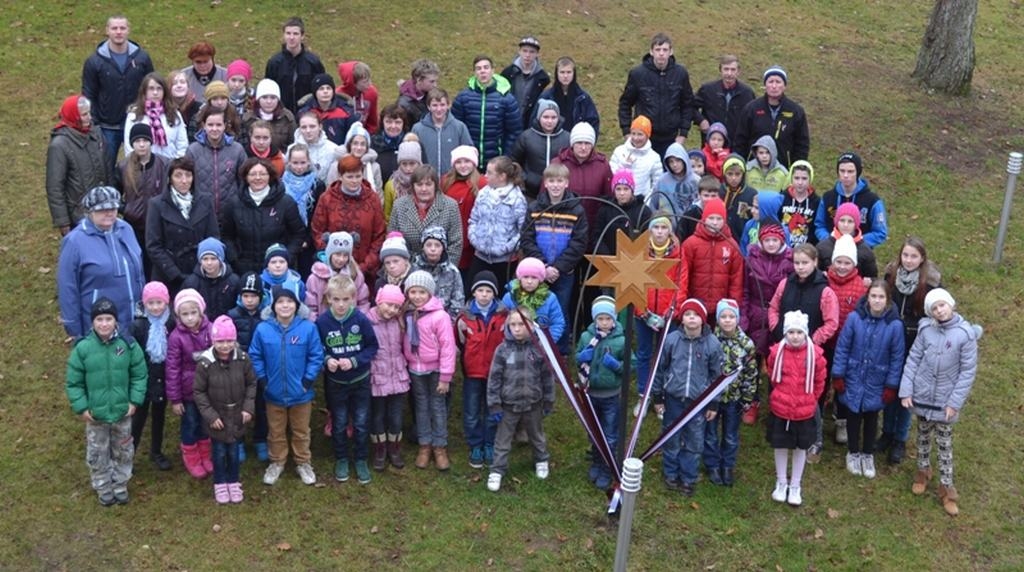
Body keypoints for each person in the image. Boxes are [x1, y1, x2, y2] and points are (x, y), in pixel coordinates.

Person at [900, 289, 981, 516]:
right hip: (923, 395)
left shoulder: (965, 335)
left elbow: (967, 372)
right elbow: (914, 358)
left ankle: (947, 489)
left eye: (942, 305)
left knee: (944, 445)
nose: (939, 310)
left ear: (951, 305)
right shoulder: (926, 330)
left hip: (946, 400)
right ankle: (922, 471)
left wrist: (954, 403)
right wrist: (907, 390)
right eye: (934, 308)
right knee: (923, 437)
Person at [65, 298, 147, 506]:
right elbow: (74, 382)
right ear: (93, 322)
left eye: (108, 319)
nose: (104, 324)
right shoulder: (83, 349)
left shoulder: (127, 345)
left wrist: (134, 400)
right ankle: (102, 485)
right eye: (99, 319)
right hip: (96, 415)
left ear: (116, 321)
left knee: (123, 450)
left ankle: (120, 484)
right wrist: (82, 407)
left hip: (122, 412)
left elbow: (139, 374)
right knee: (97, 452)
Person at [768, 244, 840, 462]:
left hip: (810, 354)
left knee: (810, 396)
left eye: (805, 263)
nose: (800, 267)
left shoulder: (825, 291)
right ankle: (782, 435)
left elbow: (831, 322)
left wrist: (812, 341)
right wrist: (776, 329)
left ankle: (814, 440)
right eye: (797, 263)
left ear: (815, 262)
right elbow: (773, 307)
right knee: (783, 388)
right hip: (785, 348)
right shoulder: (784, 284)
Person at [250, 286, 324, 486]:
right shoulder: (263, 329)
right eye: (280, 302)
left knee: (301, 430)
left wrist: (307, 381)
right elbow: (255, 355)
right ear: (273, 306)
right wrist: (264, 380)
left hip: (301, 392)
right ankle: (277, 461)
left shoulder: (307, 328)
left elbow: (316, 356)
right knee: (276, 431)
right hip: (273, 392)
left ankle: (303, 462)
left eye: (289, 301)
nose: (285, 305)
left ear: (297, 305)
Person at [832, 280, 905, 479]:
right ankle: (853, 452)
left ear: (888, 300)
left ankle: (867, 454)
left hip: (877, 379)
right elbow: (843, 347)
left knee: (872, 417)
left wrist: (891, 384)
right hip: (854, 375)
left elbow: (897, 357)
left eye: (881, 297)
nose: (877, 300)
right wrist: (838, 374)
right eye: (873, 296)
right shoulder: (855, 318)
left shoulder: (895, 325)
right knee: (853, 416)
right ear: (867, 297)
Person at [651, 298, 724, 497]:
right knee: (671, 437)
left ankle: (688, 477)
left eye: (695, 315)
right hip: (673, 397)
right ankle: (670, 473)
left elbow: (717, 376)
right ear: (682, 319)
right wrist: (657, 397)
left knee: (694, 440)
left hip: (698, 401)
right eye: (687, 315)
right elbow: (660, 369)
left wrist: (714, 403)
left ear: (703, 319)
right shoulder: (671, 340)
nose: (691, 318)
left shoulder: (712, 344)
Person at [881, 236, 942, 464]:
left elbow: (935, 313)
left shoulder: (931, 284)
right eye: (905, 255)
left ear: (922, 258)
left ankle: (900, 438)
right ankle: (886, 432)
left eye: (913, 256)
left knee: (907, 393)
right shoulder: (890, 276)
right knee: (890, 386)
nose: (908, 260)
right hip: (892, 339)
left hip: (916, 343)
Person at [317, 275, 379, 485]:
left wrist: (354, 360)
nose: (341, 304)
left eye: (346, 299)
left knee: (361, 422)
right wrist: (327, 359)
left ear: (353, 299)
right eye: (336, 300)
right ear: (328, 299)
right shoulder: (322, 322)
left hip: (360, 380)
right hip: (336, 383)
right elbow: (318, 348)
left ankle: (361, 459)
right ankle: (341, 458)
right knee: (340, 421)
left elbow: (372, 347)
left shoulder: (361, 320)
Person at [58, 187, 144, 338]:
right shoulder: (74, 241)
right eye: (102, 209)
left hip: (135, 321)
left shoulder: (126, 229)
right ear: (90, 212)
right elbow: (67, 288)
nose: (109, 213)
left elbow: (139, 271)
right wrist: (74, 328)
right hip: (100, 327)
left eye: (113, 208)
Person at [486, 307, 555, 492]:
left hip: (534, 403)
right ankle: (497, 470)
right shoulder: (502, 350)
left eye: (521, 324)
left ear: (531, 325)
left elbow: (547, 376)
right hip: (508, 406)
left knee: (536, 435)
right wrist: (494, 405)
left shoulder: (540, 349)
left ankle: (541, 460)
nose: (517, 329)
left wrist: (548, 400)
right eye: (513, 325)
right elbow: (494, 379)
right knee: (503, 439)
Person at [520, 163, 589, 341]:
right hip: (538, 271)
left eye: (560, 181)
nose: (556, 185)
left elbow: (579, 243)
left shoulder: (576, 210)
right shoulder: (535, 208)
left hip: (564, 272)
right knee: (537, 308)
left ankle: (561, 351)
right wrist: (543, 266)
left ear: (567, 183)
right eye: (552, 181)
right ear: (545, 183)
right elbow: (527, 238)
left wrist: (558, 267)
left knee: (561, 309)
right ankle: (535, 344)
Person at [193, 315, 257, 504]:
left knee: (234, 451)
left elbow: (252, 383)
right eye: (220, 341)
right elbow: (199, 392)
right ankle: (220, 482)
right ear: (214, 341)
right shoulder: (205, 363)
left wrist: (248, 408)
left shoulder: (243, 359)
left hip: (237, 414)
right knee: (219, 452)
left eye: (229, 341)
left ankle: (234, 481)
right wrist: (211, 416)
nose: (225, 345)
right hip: (217, 417)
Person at [766, 310, 827, 507]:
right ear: (785, 333)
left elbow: (820, 381)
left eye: (799, 332)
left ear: (806, 333)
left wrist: (809, 400)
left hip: (804, 411)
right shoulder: (776, 352)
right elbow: (772, 375)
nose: (795, 336)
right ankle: (781, 481)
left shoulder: (815, 356)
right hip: (781, 409)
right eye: (791, 332)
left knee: (801, 448)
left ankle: (795, 485)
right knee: (781, 445)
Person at [82, 15, 154, 170]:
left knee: (141, 167)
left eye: (122, 28)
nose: (118, 32)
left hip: (137, 122)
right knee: (104, 168)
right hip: (108, 127)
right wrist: (94, 123)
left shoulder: (142, 58)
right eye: (114, 28)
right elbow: (89, 94)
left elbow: (152, 87)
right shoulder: (94, 61)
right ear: (107, 31)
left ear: (128, 30)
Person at [403, 271, 458, 471]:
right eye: (413, 292)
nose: (417, 296)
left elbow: (448, 347)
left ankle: (439, 446)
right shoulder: (407, 313)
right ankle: (424, 445)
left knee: (437, 406)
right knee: (421, 407)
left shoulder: (439, 316)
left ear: (430, 293)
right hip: (415, 369)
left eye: (422, 292)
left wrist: (445, 377)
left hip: (435, 369)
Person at [576, 295, 633, 490]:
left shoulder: (621, 340)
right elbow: (578, 357)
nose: (604, 322)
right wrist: (581, 357)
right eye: (600, 318)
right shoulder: (586, 337)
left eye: (608, 318)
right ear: (594, 319)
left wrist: (617, 365)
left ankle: (607, 467)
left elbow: (631, 365)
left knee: (609, 434)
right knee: (594, 431)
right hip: (591, 394)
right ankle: (597, 461)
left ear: (614, 319)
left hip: (610, 396)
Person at [631, 214, 683, 417]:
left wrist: (672, 310)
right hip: (644, 314)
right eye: (656, 227)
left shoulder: (678, 253)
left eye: (664, 227)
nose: (660, 231)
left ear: (670, 231)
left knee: (665, 356)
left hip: (667, 314)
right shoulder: (640, 251)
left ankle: (661, 395)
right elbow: (632, 282)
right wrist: (642, 311)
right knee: (644, 354)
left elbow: (682, 282)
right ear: (650, 230)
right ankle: (644, 395)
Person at [456, 271, 508, 469]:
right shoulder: (464, 318)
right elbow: (460, 342)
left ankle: (489, 443)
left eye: (488, 291)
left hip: (495, 372)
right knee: (471, 411)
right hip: (472, 372)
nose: (484, 294)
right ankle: (475, 445)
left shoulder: (503, 316)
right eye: (480, 290)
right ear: (474, 293)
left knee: (491, 409)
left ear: (494, 294)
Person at [145, 157, 219, 294]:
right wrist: (174, 273)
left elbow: (213, 238)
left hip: (200, 272)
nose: (184, 181)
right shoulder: (156, 204)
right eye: (178, 175)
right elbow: (153, 245)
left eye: (188, 175)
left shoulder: (205, 201)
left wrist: (202, 268)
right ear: (170, 179)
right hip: (168, 274)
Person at [703, 299, 757, 486]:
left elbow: (751, 373)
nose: (727, 320)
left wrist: (747, 398)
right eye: (723, 316)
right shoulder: (710, 341)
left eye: (731, 316)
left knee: (730, 435)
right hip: (712, 399)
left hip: (734, 399)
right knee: (710, 433)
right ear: (717, 319)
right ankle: (712, 464)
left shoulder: (746, 345)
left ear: (738, 319)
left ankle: (727, 465)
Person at [220, 157, 306, 275]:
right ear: (246, 177)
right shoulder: (234, 203)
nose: (258, 178)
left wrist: (287, 257)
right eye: (253, 174)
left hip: (277, 269)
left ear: (270, 176)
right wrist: (234, 259)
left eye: (262, 174)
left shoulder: (286, 202)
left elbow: (298, 234)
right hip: (243, 269)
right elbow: (226, 236)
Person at [617, 33, 695, 158]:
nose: (661, 53)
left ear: (671, 52)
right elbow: (625, 103)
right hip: (644, 139)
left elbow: (688, 105)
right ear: (651, 52)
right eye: (658, 50)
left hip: (671, 138)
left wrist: (683, 134)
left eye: (665, 50)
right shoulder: (638, 74)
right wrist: (627, 132)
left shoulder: (681, 74)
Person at [311, 155, 387, 277]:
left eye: (358, 176)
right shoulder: (327, 198)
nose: (354, 180)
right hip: (332, 269)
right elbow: (317, 231)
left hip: (363, 270)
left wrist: (364, 266)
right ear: (340, 176)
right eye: (349, 177)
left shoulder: (372, 199)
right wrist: (332, 260)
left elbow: (379, 235)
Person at [165, 289, 214, 481]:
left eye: (193, 312)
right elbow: (172, 369)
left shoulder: (210, 330)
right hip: (187, 392)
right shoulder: (176, 337)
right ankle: (191, 456)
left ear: (201, 311)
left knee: (205, 422)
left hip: (208, 389)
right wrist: (175, 399)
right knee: (190, 423)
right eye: (185, 314)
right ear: (178, 315)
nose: (190, 318)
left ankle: (205, 453)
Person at [46, 95, 110, 234]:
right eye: (84, 114)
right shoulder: (59, 146)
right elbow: (55, 187)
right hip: (78, 215)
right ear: (73, 116)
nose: (89, 117)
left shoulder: (96, 134)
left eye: (89, 113)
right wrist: (63, 222)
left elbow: (107, 169)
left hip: (101, 209)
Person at [129, 282, 176, 471]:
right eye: (151, 303)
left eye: (159, 302)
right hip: (144, 379)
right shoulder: (138, 326)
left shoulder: (171, 323)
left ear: (166, 302)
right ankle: (129, 453)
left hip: (163, 377)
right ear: (144, 304)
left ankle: (156, 451)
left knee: (159, 416)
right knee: (138, 418)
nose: (156, 307)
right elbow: (133, 356)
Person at [679, 197, 744, 326]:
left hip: (721, 308)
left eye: (719, 219)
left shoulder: (732, 245)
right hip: (695, 305)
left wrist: (732, 306)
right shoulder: (690, 244)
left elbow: (736, 280)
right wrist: (683, 302)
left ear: (724, 221)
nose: (714, 223)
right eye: (711, 218)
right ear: (704, 219)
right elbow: (683, 276)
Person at [367, 285, 411, 470]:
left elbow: (404, 345)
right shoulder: (367, 322)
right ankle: (380, 448)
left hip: (398, 373)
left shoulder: (399, 322)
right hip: (378, 373)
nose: (391, 310)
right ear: (379, 301)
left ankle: (394, 448)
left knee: (396, 415)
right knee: (377, 415)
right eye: (388, 305)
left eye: (396, 307)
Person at [467, 156, 528, 288]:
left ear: (502, 176)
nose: (485, 176)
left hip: (504, 261)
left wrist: (505, 248)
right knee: (473, 292)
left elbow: (523, 231)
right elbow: (474, 219)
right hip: (480, 256)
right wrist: (474, 239)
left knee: (500, 297)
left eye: (489, 173)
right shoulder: (483, 193)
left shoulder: (517, 199)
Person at [732, 66, 810, 168]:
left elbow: (802, 144)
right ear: (765, 85)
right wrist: (741, 165)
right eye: (770, 81)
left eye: (778, 82)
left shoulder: (795, 111)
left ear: (784, 85)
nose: (774, 86)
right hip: (754, 169)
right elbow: (740, 140)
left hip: (783, 170)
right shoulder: (751, 109)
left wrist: (796, 168)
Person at [451, 55, 522, 165]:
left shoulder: (507, 99)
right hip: (469, 161)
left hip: (496, 160)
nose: (482, 71)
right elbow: (455, 128)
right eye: (478, 68)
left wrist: (505, 157)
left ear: (493, 70)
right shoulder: (463, 97)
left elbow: (514, 132)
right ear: (474, 72)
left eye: (486, 67)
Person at [389, 164, 465, 265]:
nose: (424, 189)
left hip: (440, 268)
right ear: (413, 186)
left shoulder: (450, 206)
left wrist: (444, 271)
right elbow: (393, 240)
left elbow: (455, 244)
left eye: (428, 184)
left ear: (436, 186)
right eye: (419, 184)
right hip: (407, 268)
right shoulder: (400, 205)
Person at [115, 124, 169, 259]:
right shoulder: (123, 166)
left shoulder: (164, 164)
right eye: (137, 141)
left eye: (145, 141)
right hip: (133, 224)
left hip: (158, 223)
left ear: (151, 142)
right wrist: (126, 209)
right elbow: (114, 193)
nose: (141, 145)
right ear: (132, 143)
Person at [815, 152, 889, 248]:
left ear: (858, 172)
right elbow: (819, 225)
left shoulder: (873, 201)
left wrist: (856, 242)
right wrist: (830, 240)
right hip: (831, 251)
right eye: (842, 171)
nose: (845, 175)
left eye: (850, 171)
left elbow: (880, 232)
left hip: (860, 253)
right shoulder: (827, 198)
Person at [552, 122, 612, 238]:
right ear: (572, 144)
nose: (583, 147)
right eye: (579, 143)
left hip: (593, 227)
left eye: (587, 143)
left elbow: (608, 197)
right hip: (563, 226)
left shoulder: (603, 166)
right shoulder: (558, 163)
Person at [185, 107, 247, 217]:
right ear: (204, 125)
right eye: (210, 125)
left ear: (224, 126)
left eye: (218, 125)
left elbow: (244, 180)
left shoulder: (237, 149)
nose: (214, 129)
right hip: (202, 212)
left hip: (231, 212)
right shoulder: (193, 150)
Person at [501, 258, 567, 353]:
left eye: (534, 277)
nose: (529, 281)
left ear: (540, 279)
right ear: (519, 278)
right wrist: (510, 339)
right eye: (526, 277)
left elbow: (558, 323)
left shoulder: (550, 298)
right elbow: (501, 322)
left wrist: (547, 343)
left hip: (541, 348)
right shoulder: (510, 297)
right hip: (513, 346)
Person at [264, 17, 326, 114]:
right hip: (281, 114)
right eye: (288, 33)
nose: (291, 37)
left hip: (308, 114)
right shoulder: (275, 62)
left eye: (295, 34)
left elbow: (321, 87)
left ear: (302, 36)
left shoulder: (313, 62)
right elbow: (268, 89)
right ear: (283, 35)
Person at [441, 145, 486, 277]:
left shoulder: (482, 183)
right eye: (459, 162)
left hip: (473, 243)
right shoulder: (446, 182)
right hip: (450, 239)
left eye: (467, 161)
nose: (463, 165)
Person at [123, 73, 188, 160]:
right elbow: (129, 145)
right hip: (143, 165)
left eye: (159, 89)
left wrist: (175, 165)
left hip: (170, 164)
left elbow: (182, 144)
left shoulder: (174, 113)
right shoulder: (134, 115)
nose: (155, 92)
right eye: (151, 89)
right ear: (144, 91)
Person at [692, 55, 756, 145]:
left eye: (733, 70)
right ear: (720, 70)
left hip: (736, 146)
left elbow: (753, 118)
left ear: (738, 71)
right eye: (726, 69)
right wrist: (701, 120)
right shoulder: (707, 90)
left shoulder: (747, 93)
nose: (729, 73)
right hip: (711, 144)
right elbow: (690, 106)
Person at [306, 231, 370, 320]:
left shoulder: (355, 275)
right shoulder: (315, 278)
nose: (341, 259)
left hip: (351, 326)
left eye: (345, 255)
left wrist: (358, 322)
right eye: (337, 254)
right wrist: (317, 325)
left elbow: (363, 303)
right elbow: (311, 307)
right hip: (324, 326)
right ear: (329, 254)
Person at [412, 88, 473, 177]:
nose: (439, 109)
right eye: (435, 105)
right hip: (426, 181)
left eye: (442, 105)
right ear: (428, 107)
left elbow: (469, 154)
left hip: (452, 180)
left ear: (448, 105)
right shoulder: (418, 129)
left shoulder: (459, 127)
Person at [411, 226, 465, 322]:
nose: (433, 249)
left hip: (444, 321)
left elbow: (458, 301)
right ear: (423, 247)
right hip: (418, 320)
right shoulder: (414, 268)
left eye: (437, 245)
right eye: (428, 245)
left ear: (443, 248)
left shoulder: (452, 271)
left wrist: (448, 322)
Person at [592, 170, 652, 255]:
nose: (622, 193)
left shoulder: (643, 211)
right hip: (608, 259)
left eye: (626, 189)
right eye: (618, 189)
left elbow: (647, 237)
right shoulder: (605, 210)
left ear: (632, 190)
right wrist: (607, 257)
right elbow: (597, 236)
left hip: (634, 260)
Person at [539, 56, 600, 138]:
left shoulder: (583, 98)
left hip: (576, 142)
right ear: (556, 73)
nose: (565, 76)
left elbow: (593, 122)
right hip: (553, 141)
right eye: (562, 72)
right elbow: (537, 121)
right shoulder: (546, 97)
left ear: (574, 73)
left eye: (568, 72)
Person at [816, 202, 879, 280]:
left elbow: (873, 277)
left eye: (850, 221)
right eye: (842, 220)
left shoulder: (865, 250)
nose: (845, 225)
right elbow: (813, 272)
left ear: (856, 224)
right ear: (836, 222)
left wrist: (869, 281)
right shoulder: (823, 247)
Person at [183, 237, 241, 319]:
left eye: (213, 259)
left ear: (221, 260)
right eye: (205, 259)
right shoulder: (191, 283)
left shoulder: (234, 281)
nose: (209, 263)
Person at [501, 35, 551, 130]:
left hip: (530, 124)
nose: (527, 55)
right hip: (507, 121)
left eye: (532, 52)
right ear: (519, 51)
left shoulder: (543, 78)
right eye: (525, 51)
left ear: (537, 54)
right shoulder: (507, 73)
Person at [609, 115, 663, 200]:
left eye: (640, 134)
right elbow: (611, 173)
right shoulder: (619, 151)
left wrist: (648, 201)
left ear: (647, 135)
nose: (636, 138)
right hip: (620, 199)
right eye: (633, 133)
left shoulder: (654, 157)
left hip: (641, 201)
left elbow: (657, 182)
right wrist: (624, 167)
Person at [298, 73, 357, 146]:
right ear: (315, 92)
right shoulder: (304, 112)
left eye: (328, 88)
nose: (325, 91)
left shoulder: (346, 112)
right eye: (321, 89)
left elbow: (353, 137)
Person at [243, 79, 297, 152]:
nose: (269, 101)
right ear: (258, 99)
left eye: (273, 97)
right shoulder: (248, 119)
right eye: (264, 97)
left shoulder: (287, 117)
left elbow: (293, 143)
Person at [777, 160, 821, 246]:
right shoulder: (781, 198)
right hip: (783, 248)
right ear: (791, 178)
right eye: (796, 178)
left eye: (804, 178)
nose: (800, 182)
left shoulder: (817, 201)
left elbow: (818, 226)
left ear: (810, 179)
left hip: (807, 248)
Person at [289, 111, 340, 182]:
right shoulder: (291, 149)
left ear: (320, 127)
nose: (308, 130)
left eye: (312, 126)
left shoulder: (333, 149)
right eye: (304, 127)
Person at [651, 142, 699, 217]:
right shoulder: (662, 180)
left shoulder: (696, 180)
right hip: (667, 224)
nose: (675, 165)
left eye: (678, 160)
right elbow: (653, 204)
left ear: (684, 160)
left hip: (690, 223)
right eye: (671, 161)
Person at [336, 60, 379, 134]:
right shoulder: (338, 97)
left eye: (369, 80)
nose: (370, 84)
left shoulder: (371, 93)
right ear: (353, 83)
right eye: (365, 82)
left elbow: (372, 123)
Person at [373, 104, 412, 182]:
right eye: (388, 122)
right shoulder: (373, 143)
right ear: (382, 122)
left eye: (398, 122)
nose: (393, 126)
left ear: (403, 124)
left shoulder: (411, 144)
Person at [397, 59, 441, 126]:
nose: (435, 85)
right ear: (419, 80)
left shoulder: (431, 95)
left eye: (436, 81)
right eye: (431, 81)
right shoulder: (404, 105)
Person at [169, 70, 203, 142]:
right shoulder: (164, 109)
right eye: (174, 83)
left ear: (188, 86)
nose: (179, 85)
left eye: (182, 82)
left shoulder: (200, 108)